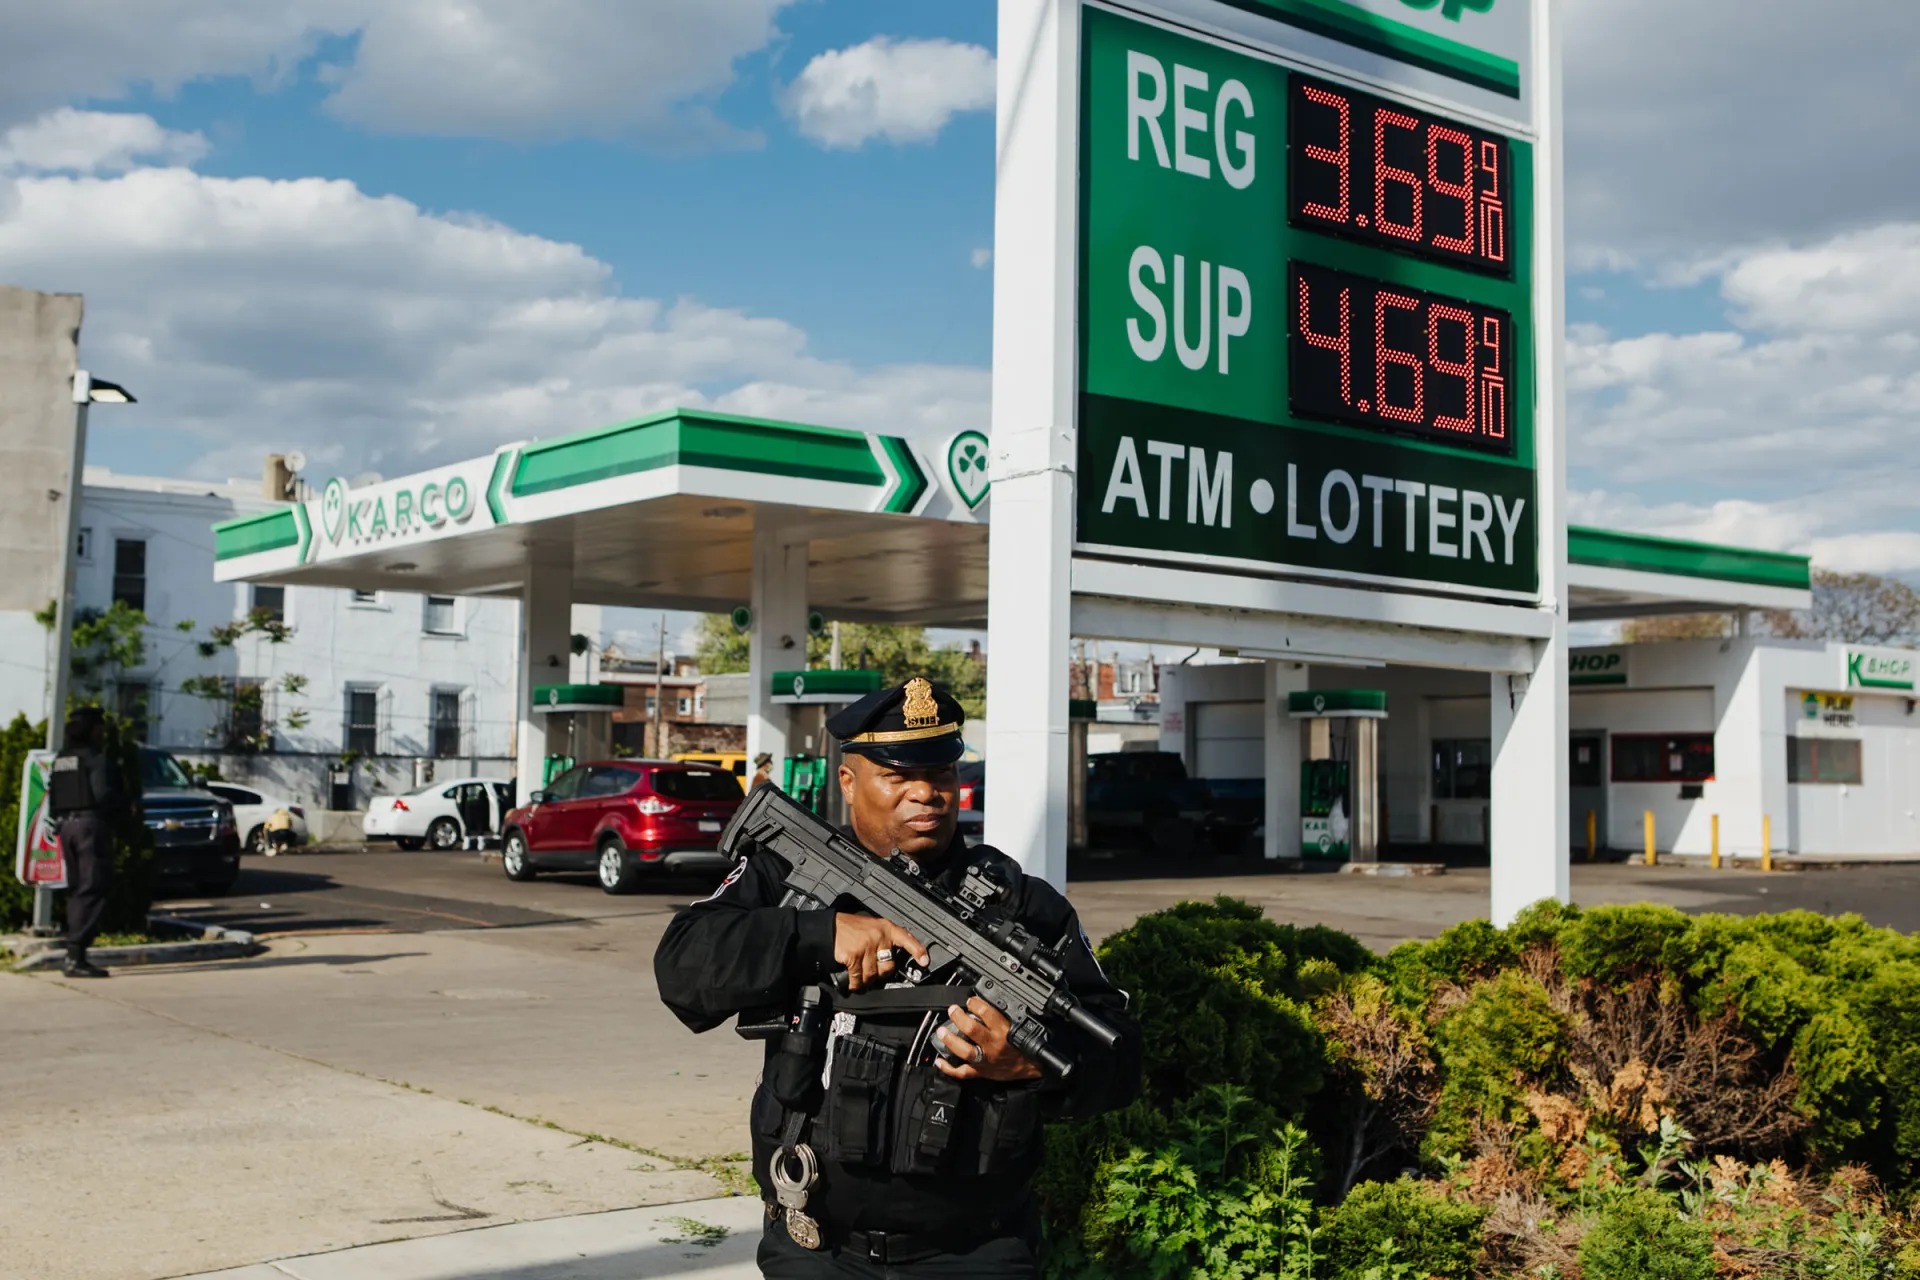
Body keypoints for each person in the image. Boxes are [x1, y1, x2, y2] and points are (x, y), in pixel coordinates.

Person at [655, 678, 1140, 1277]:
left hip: (976, 1253)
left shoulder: (1024, 910)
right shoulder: (785, 876)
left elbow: (1119, 1059)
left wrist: (1030, 1068)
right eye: (898, 776)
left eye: (941, 776)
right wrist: (822, 934)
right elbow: (682, 968)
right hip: (815, 1247)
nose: (926, 794)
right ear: (849, 783)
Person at [48, 707, 126, 979]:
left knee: (79, 888)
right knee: (93, 885)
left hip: (65, 826)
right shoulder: (95, 759)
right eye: (99, 728)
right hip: (89, 827)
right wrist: (125, 809)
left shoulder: (62, 759)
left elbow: (52, 795)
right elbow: (103, 794)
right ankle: (76, 955)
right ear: (92, 729)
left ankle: (75, 952)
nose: (102, 732)